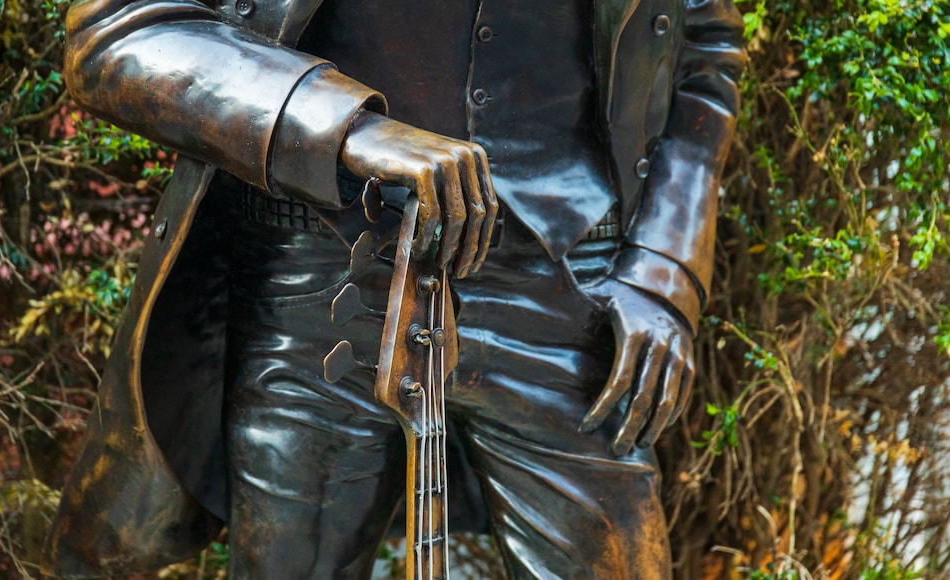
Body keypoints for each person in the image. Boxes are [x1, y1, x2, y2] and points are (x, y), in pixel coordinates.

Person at [42, 0, 746, 577]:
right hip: (317, 279)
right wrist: (343, 129)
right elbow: (117, 28)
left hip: (567, 292)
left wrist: (664, 271)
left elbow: (703, 46)